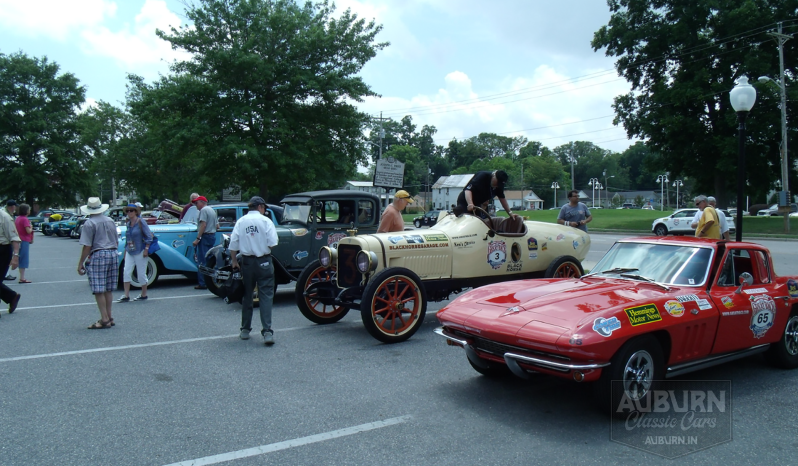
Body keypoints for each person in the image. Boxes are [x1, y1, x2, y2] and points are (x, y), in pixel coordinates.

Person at [229, 196, 279, 345]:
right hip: (263, 260)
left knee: (247, 294)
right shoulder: (266, 221)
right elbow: (273, 243)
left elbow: (233, 243)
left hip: (247, 261)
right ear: (261, 207)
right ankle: (267, 332)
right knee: (266, 296)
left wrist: (233, 261)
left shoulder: (241, 221)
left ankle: (245, 329)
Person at [77, 197, 119, 329]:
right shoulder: (110, 220)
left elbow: (87, 246)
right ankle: (110, 316)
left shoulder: (89, 223)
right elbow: (116, 241)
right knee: (108, 288)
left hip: (99, 254)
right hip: (113, 253)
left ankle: (104, 318)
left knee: (98, 289)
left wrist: (80, 263)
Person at [117, 203, 154, 302]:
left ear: (136, 211)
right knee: (126, 271)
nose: (129, 212)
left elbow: (149, 237)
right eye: (127, 211)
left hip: (140, 250)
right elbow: (127, 238)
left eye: (131, 210)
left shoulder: (141, 222)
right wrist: (125, 251)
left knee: (141, 273)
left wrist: (146, 249)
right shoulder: (128, 223)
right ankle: (126, 295)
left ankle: (144, 294)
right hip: (130, 250)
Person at [0, 201, 22, 316]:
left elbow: (14, 238)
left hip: (2, 250)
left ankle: (12, 296)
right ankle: (12, 296)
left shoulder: (4, 217)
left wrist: (15, 256)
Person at [191, 196, 217, 290]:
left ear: (202, 202)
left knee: (202, 261)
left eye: (196, 203)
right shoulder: (212, 210)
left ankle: (202, 283)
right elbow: (217, 226)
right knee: (210, 260)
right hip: (212, 236)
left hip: (205, 236)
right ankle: (213, 280)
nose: (195, 205)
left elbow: (203, 225)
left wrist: (198, 238)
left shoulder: (203, 211)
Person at [14, 203, 33, 283]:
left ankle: (21, 276)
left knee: (19, 257)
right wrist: (31, 226)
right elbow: (28, 231)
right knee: (24, 259)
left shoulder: (17, 218)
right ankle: (22, 277)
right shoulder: (25, 219)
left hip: (18, 239)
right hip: (24, 240)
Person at [4, 200, 18, 281]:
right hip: (6, 241)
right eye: (14, 206)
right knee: (7, 259)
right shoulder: (7, 216)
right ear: (12, 207)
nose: (15, 208)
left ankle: (6, 273)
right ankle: (6, 274)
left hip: (6, 240)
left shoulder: (8, 214)